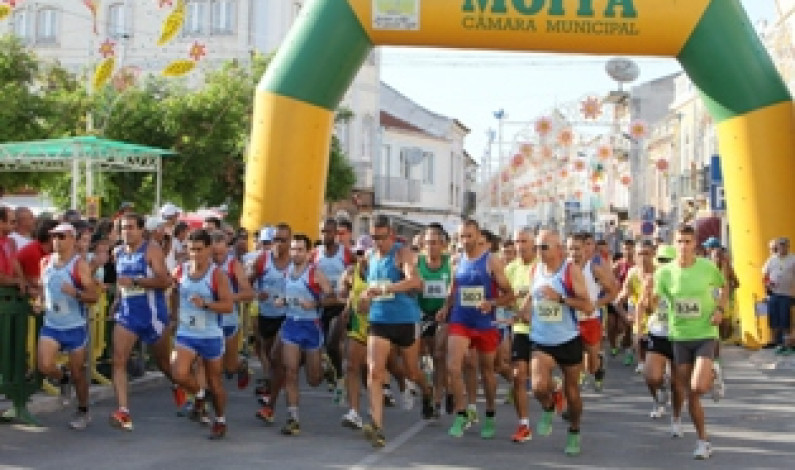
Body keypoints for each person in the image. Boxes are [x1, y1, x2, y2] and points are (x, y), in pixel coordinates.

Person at [361, 215, 434, 448]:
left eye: (381, 238)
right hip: (379, 320)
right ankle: (377, 426)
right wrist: (364, 299)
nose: (377, 243)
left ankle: (427, 390)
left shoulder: (403, 254)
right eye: (373, 237)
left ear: (391, 235)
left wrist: (386, 288)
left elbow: (415, 282)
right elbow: (367, 289)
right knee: (374, 371)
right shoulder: (369, 257)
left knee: (411, 372)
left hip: (405, 320)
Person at [655, 224, 727, 460]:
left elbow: (723, 287)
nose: (684, 246)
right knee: (690, 393)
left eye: (688, 242)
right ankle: (703, 442)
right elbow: (658, 302)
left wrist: (719, 309)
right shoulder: (664, 274)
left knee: (697, 387)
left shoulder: (707, 268)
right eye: (680, 242)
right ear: (674, 244)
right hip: (679, 336)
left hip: (705, 332)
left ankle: (711, 374)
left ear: (695, 244)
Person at [444, 219, 515, 440]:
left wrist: (491, 304)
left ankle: (490, 414)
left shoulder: (491, 261)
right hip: (461, 319)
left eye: (469, 236)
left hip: (484, 322)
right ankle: (462, 412)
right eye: (461, 237)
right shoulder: (456, 260)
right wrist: (445, 308)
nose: (465, 241)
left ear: (477, 236)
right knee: (453, 366)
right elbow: (453, 289)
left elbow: (510, 295)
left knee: (487, 371)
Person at [525, 230, 593, 456]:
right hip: (541, 339)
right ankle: (548, 406)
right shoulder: (535, 269)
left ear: (558, 249)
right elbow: (532, 296)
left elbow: (588, 306)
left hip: (567, 339)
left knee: (572, 392)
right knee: (537, 386)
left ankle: (574, 431)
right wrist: (523, 311)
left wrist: (561, 298)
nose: (539, 251)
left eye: (543, 247)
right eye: (537, 247)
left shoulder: (570, 271)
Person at [110, 213, 179, 431]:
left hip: (153, 315)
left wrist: (136, 281)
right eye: (123, 228)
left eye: (131, 227)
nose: (126, 231)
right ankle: (124, 411)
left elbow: (165, 280)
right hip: (128, 314)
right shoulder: (117, 252)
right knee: (118, 359)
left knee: (163, 362)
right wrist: (117, 300)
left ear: (141, 230)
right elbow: (122, 283)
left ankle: (183, 386)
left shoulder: (151, 249)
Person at [170, 229, 234, 440]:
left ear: (208, 249)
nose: (195, 254)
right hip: (187, 332)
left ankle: (221, 419)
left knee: (215, 383)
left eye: (199, 250)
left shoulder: (217, 275)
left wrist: (205, 304)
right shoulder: (181, 271)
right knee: (179, 373)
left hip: (210, 334)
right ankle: (199, 395)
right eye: (191, 250)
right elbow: (174, 292)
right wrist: (173, 315)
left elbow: (227, 306)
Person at [35, 223, 98, 430]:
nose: (57, 241)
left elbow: (93, 296)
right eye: (54, 237)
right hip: (52, 324)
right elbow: (43, 291)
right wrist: (39, 302)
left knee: (79, 373)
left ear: (72, 238)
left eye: (61, 237)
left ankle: (83, 410)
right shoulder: (45, 262)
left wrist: (76, 293)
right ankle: (63, 379)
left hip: (74, 326)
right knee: (44, 365)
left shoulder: (79, 265)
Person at [274, 234, 335, 436]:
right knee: (290, 371)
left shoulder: (315, 273)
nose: (295, 253)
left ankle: (325, 369)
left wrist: (315, 303)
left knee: (313, 380)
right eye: (293, 249)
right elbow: (286, 294)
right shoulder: (287, 272)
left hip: (311, 327)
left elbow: (331, 297)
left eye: (300, 249)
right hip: (291, 325)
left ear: (309, 253)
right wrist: (281, 300)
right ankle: (293, 418)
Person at [251, 223, 292, 422]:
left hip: (287, 316)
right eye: (276, 239)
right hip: (266, 316)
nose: (278, 244)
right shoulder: (262, 261)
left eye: (283, 240)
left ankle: (270, 406)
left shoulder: (297, 262)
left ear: (290, 242)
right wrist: (257, 294)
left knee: (276, 357)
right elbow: (247, 283)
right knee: (268, 356)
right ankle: (274, 384)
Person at [568, 233, 618, 390]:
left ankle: (598, 366)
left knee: (592, 361)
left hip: (590, 319)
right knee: (575, 357)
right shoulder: (564, 268)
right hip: (570, 320)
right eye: (570, 249)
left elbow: (613, 292)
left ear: (585, 249)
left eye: (577, 248)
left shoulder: (594, 269)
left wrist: (595, 304)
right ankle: (578, 380)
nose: (574, 253)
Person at [638, 244, 681, 422]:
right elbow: (646, 308)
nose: (664, 264)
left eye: (668, 261)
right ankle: (658, 398)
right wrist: (649, 294)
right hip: (658, 331)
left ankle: (676, 418)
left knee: (678, 384)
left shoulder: (683, 279)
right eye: (661, 260)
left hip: (679, 334)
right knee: (651, 377)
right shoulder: (652, 280)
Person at [314, 218, 354, 397]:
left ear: (335, 234)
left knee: (332, 343)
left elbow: (358, 274)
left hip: (341, 306)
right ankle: (335, 373)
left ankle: (339, 375)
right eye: (322, 232)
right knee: (321, 347)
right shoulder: (315, 254)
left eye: (328, 232)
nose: (325, 235)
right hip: (323, 305)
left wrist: (349, 293)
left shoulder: (345, 254)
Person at [210, 231, 255, 388]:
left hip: (228, 319)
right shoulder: (202, 263)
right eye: (214, 254)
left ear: (227, 250)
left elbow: (248, 293)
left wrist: (229, 297)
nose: (218, 257)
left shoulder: (233, 264)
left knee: (229, 367)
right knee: (211, 364)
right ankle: (204, 399)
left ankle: (240, 365)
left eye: (221, 253)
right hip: (208, 320)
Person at [416, 225, 452, 420]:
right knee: (424, 358)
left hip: (444, 315)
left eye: (435, 243)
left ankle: (438, 399)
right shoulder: (417, 263)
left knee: (439, 354)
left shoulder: (450, 263)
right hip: (422, 313)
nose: (431, 247)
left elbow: (454, 289)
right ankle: (427, 394)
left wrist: (446, 306)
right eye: (428, 243)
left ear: (442, 245)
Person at [505, 227, 536, 443]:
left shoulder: (542, 267)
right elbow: (504, 297)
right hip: (520, 329)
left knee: (540, 381)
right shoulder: (510, 269)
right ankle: (524, 424)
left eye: (524, 241)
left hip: (544, 329)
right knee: (518, 377)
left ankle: (555, 388)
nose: (520, 246)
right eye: (517, 241)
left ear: (533, 244)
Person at [339, 235, 374, 430]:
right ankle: (354, 412)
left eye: (364, 252)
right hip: (357, 324)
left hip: (378, 326)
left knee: (375, 369)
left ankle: (406, 387)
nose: (361, 256)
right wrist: (347, 307)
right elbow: (353, 291)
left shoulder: (380, 270)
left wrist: (371, 302)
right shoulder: (353, 271)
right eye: (358, 253)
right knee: (352, 366)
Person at [762, 237, 795, 353]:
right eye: (780, 245)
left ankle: (786, 342)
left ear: (788, 246)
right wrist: (767, 284)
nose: (782, 247)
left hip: (787, 294)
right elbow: (764, 274)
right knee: (773, 317)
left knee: (785, 318)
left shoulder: (793, 259)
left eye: (784, 245)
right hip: (774, 294)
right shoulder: (772, 259)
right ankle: (774, 341)